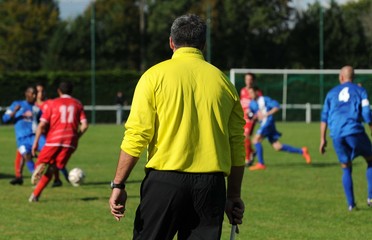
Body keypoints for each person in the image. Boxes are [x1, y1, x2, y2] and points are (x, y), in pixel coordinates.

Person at [109, 14, 245, 240]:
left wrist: (119, 184)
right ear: (203, 44)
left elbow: (137, 135)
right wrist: (233, 195)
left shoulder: (153, 77)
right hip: (211, 186)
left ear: (171, 42)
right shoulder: (224, 83)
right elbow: (237, 144)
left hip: (164, 182)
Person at [320, 65, 372, 211]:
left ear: (341, 77)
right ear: (353, 77)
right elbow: (367, 113)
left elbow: (324, 117)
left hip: (336, 134)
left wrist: (322, 139)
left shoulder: (331, 93)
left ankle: (351, 205)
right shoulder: (360, 90)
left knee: (346, 167)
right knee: (370, 160)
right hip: (354, 131)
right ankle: (371, 197)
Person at [29, 81, 88, 202]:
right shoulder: (77, 104)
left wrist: (35, 143)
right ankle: (35, 195)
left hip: (54, 139)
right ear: (72, 91)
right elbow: (85, 125)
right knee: (53, 168)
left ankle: (39, 166)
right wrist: (76, 136)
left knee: (41, 160)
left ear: (58, 91)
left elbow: (41, 125)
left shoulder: (53, 103)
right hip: (70, 142)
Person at [248, 86, 311, 171]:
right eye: (249, 92)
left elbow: (277, 106)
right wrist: (252, 116)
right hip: (264, 124)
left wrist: (266, 114)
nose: (250, 94)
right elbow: (253, 114)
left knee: (255, 140)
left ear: (256, 92)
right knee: (278, 147)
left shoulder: (264, 99)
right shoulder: (252, 103)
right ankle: (302, 151)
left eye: (252, 92)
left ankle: (261, 164)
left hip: (268, 122)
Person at [2, 86, 44, 185]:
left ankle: (56, 178)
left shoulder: (36, 108)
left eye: (35, 94)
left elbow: (42, 121)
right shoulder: (16, 104)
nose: (34, 96)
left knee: (49, 153)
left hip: (34, 137)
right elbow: (5, 119)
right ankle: (35, 177)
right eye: (31, 93)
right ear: (26, 94)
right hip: (22, 138)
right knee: (25, 155)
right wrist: (15, 111)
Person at [240, 73, 262, 166]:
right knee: (243, 138)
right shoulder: (242, 91)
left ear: (253, 81)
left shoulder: (257, 92)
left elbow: (261, 105)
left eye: (250, 79)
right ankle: (252, 152)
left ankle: (248, 159)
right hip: (243, 117)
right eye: (246, 79)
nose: (248, 81)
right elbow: (242, 103)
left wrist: (256, 115)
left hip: (251, 118)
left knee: (246, 136)